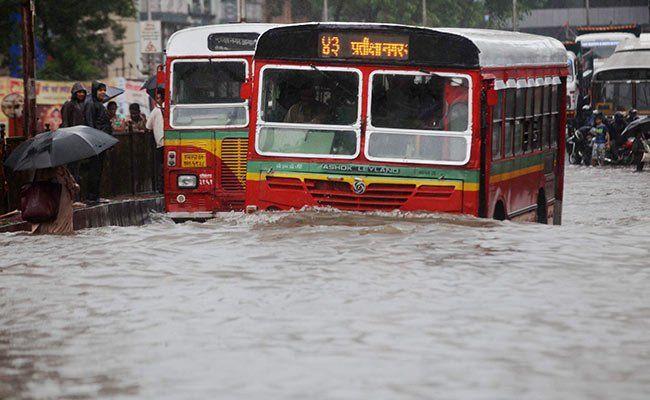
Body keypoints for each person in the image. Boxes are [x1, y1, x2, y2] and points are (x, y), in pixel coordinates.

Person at [84, 81, 112, 203]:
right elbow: (90, 123)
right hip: (96, 142)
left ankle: (95, 195)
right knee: (94, 170)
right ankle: (91, 196)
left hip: (102, 142)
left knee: (99, 170)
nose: (103, 92)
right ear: (95, 91)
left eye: (104, 90)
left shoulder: (100, 105)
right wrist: (94, 139)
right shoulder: (91, 105)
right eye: (100, 90)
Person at [30, 166, 79, 235]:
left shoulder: (39, 171)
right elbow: (72, 186)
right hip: (61, 198)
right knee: (61, 227)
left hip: (44, 200)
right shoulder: (61, 170)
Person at [146, 91, 165, 193]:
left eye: (158, 98)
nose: (156, 100)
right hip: (171, 142)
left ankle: (161, 187)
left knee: (161, 165)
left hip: (160, 143)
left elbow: (148, 126)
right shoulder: (169, 110)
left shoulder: (155, 111)